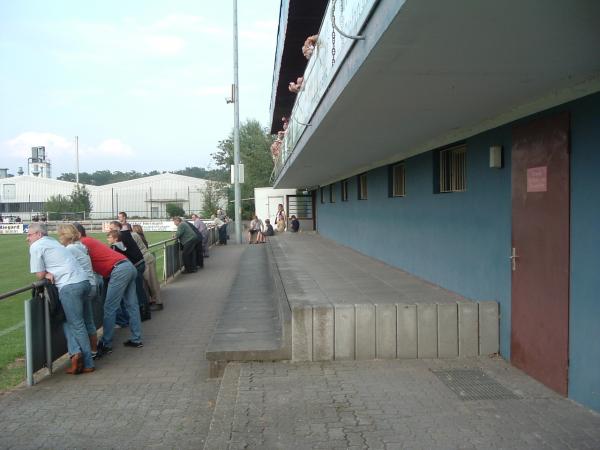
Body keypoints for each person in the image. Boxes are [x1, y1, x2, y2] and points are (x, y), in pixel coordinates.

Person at [27, 223, 94, 374]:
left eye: (29, 235)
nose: (27, 238)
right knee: (71, 321)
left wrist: (45, 274)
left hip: (70, 286)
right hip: (84, 282)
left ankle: (88, 363)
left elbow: (39, 274)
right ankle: (76, 353)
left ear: (38, 234)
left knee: (77, 325)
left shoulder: (37, 246)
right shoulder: (53, 242)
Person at [80, 227, 144, 355]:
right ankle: (136, 339)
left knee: (110, 308)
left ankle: (106, 343)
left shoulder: (81, 243)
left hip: (119, 270)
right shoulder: (89, 240)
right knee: (132, 306)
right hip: (128, 266)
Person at [56, 224, 99, 359]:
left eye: (60, 235)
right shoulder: (81, 246)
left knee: (75, 322)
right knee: (88, 321)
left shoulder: (69, 249)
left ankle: (79, 354)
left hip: (80, 284)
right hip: (91, 284)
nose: (59, 238)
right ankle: (93, 351)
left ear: (65, 236)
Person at [108, 221, 151, 321]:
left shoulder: (122, 237)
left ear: (117, 228)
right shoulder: (125, 235)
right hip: (139, 263)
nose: (110, 231)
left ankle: (142, 314)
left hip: (136, 265)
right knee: (138, 290)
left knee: (137, 290)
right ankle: (144, 312)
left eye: (111, 229)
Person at [131, 224, 163, 310]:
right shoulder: (137, 235)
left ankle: (158, 302)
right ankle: (150, 301)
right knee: (146, 283)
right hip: (143, 260)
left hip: (145, 259)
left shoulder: (134, 235)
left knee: (152, 282)